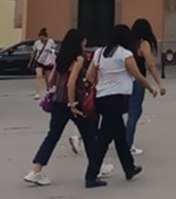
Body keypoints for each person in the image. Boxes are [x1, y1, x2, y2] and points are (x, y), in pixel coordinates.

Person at [24, 29, 113, 186]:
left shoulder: (60, 58)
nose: (85, 44)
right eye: (84, 41)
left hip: (58, 102)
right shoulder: (78, 59)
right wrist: (72, 104)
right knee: (89, 135)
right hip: (73, 103)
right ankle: (96, 168)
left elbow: (51, 79)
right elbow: (71, 83)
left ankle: (36, 170)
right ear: (79, 42)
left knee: (52, 136)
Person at [85, 24, 156, 188]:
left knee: (120, 136)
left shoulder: (99, 53)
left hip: (102, 98)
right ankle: (91, 175)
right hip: (116, 99)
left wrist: (102, 82)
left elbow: (89, 76)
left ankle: (129, 168)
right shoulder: (124, 54)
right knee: (104, 139)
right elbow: (137, 75)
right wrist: (150, 87)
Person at [126, 19, 166, 156]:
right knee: (134, 113)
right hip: (138, 81)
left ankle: (122, 138)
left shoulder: (127, 43)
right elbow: (150, 65)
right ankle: (127, 145)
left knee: (132, 111)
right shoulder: (143, 44)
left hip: (124, 81)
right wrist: (159, 83)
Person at [31, 28, 57, 100]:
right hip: (39, 61)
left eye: (43, 38)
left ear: (46, 37)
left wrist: (50, 50)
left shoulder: (51, 41)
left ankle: (48, 90)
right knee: (39, 76)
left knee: (47, 78)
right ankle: (37, 93)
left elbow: (54, 50)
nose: (41, 40)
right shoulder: (37, 43)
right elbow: (34, 52)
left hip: (47, 62)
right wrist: (31, 61)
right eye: (40, 38)